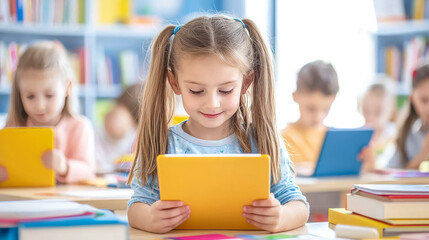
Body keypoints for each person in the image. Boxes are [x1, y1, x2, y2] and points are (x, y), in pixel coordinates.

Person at [127, 15, 309, 234]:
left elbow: (297, 204)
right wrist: (149, 218)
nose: (212, 104)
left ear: (246, 82)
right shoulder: (163, 143)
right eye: (196, 91)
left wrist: (282, 216)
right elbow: (137, 204)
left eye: (225, 90)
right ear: (174, 83)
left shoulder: (261, 140)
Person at [5, 41, 95, 183]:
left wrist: (64, 166)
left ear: (67, 88)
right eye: (30, 96)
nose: (40, 106)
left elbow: (88, 171)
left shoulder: (80, 127)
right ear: (19, 94)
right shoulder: (14, 127)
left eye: (49, 95)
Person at [280, 60, 339, 174]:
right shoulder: (283, 138)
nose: (318, 117)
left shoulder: (336, 139)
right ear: (295, 96)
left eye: (326, 109)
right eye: (311, 108)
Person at [388, 63, 429, 169]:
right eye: (424, 100)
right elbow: (392, 174)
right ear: (413, 98)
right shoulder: (407, 134)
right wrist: (423, 155)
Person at [95, 83, 142, 173]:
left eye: (119, 120)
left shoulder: (135, 140)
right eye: (111, 114)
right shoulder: (95, 135)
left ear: (133, 123)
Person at [358, 77, 397, 169]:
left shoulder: (395, 137)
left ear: (391, 110)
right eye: (366, 110)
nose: (370, 118)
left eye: (378, 112)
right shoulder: (360, 137)